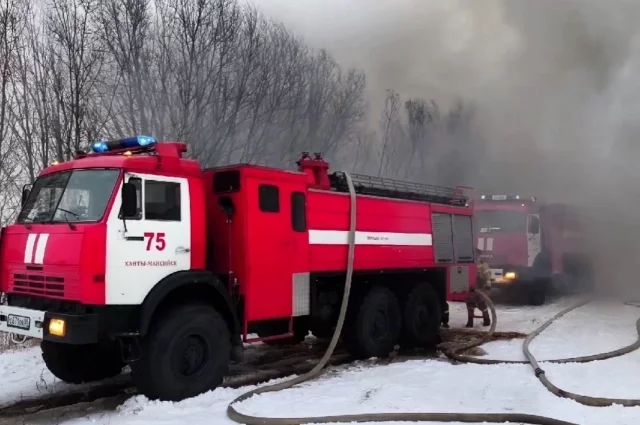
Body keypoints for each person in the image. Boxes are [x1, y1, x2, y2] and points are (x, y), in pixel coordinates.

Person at [466, 248, 492, 328]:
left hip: (481, 287)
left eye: (477, 254)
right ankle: (470, 322)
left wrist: (487, 286)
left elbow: (487, 276)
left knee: (482, 304)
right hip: (471, 287)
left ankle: (486, 320)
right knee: (470, 304)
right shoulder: (468, 264)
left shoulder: (484, 265)